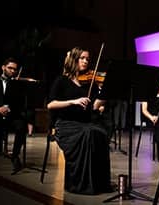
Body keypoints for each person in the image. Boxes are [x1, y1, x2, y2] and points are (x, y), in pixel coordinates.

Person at [47, 47, 113, 195]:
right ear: (73, 59)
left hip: (84, 123)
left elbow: (95, 106)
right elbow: (51, 105)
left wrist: (103, 99)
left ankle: (99, 183)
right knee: (89, 134)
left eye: (87, 59)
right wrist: (73, 101)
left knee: (100, 132)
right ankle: (80, 184)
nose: (85, 61)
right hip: (65, 125)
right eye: (82, 58)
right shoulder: (62, 80)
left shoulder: (88, 83)